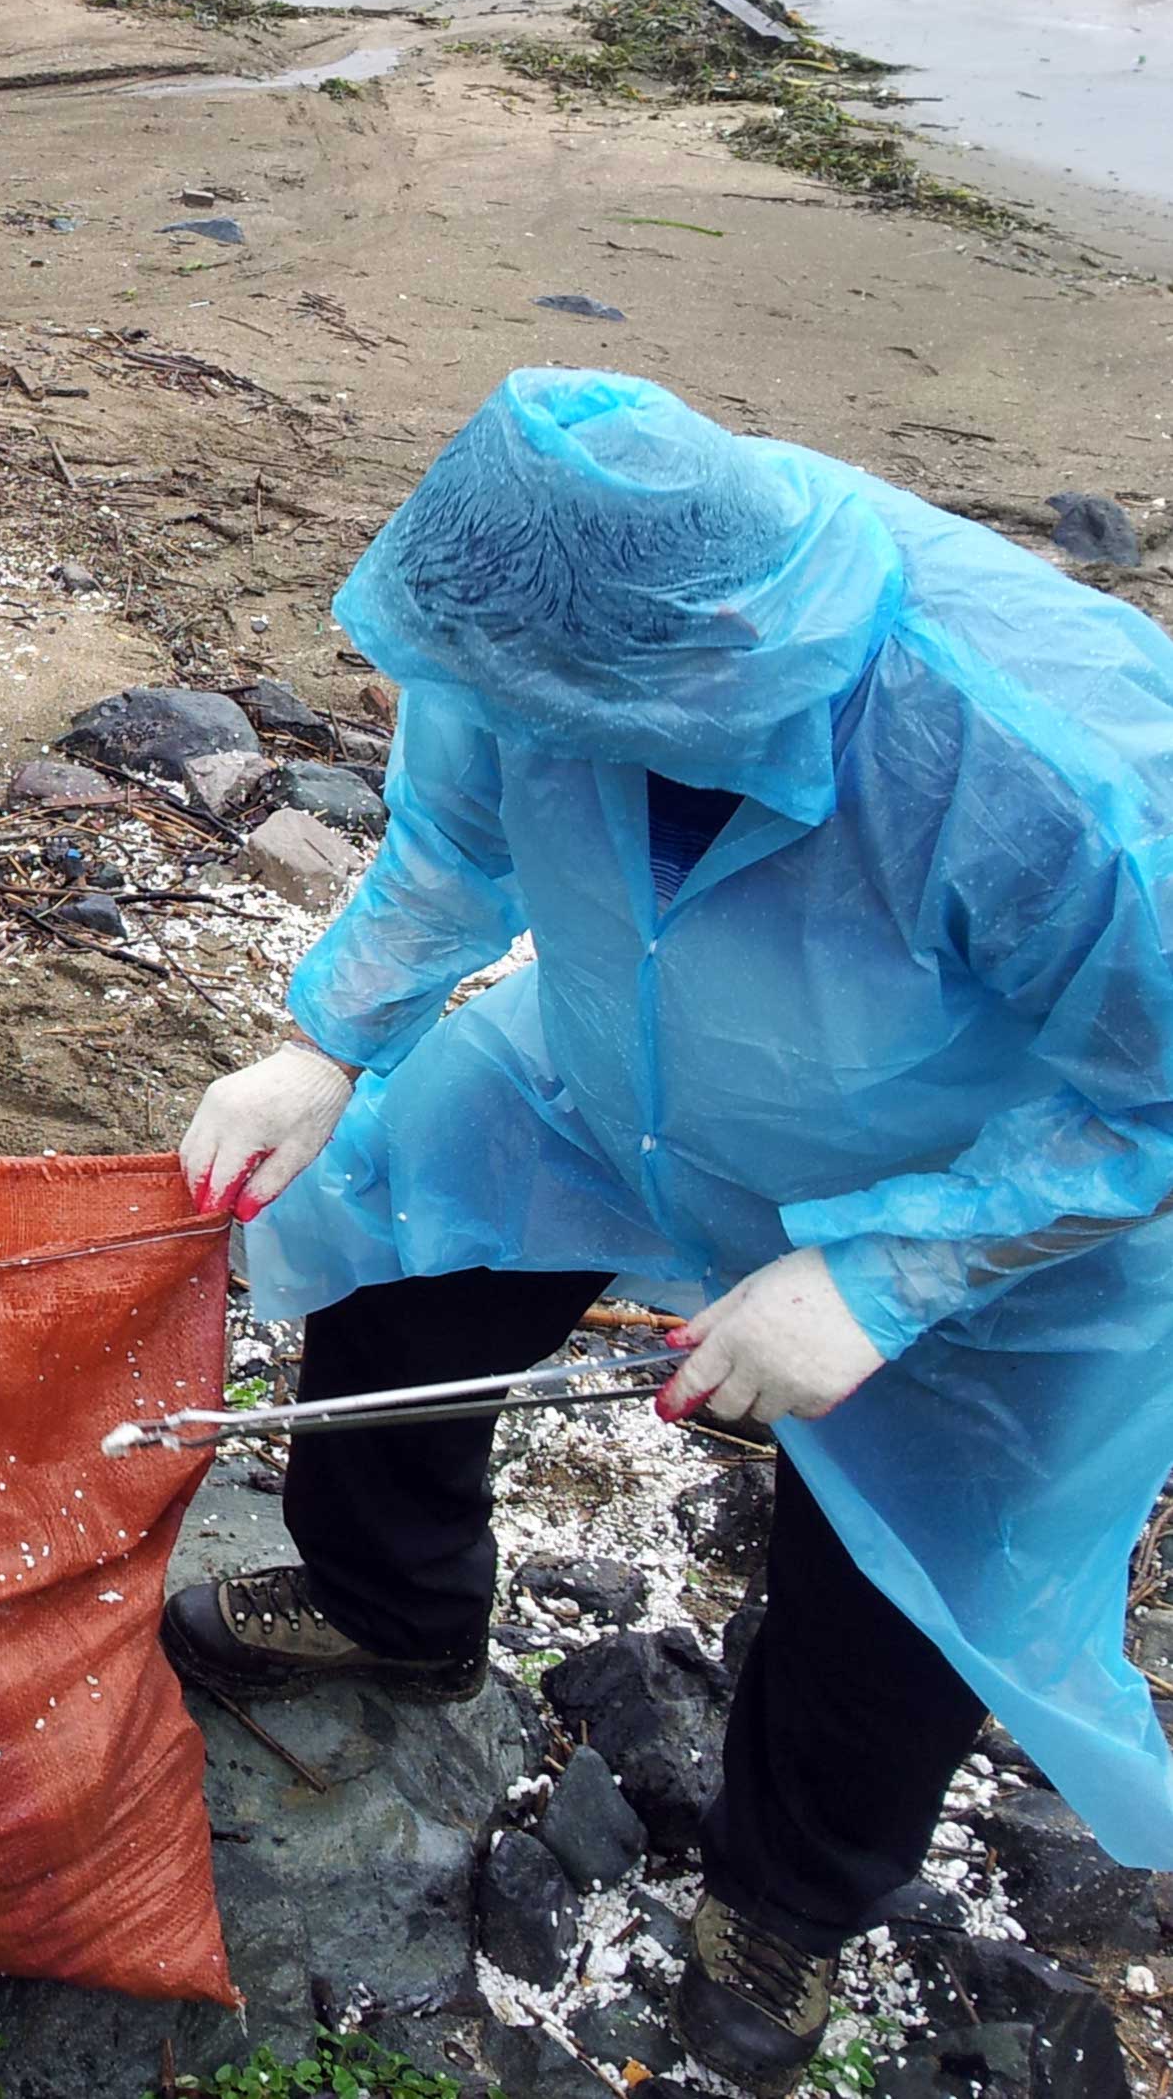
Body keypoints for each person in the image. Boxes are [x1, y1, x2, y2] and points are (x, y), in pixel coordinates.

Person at [158, 369, 1173, 2094]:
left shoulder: (1036, 759)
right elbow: (449, 841)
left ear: (705, 670)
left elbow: (1147, 1099)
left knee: (897, 1573)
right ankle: (386, 1601)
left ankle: (785, 1901)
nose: (504, 721)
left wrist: (876, 1276)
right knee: (410, 1256)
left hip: (989, 1184)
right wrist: (326, 1040)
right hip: (628, 1056)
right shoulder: (537, 600)